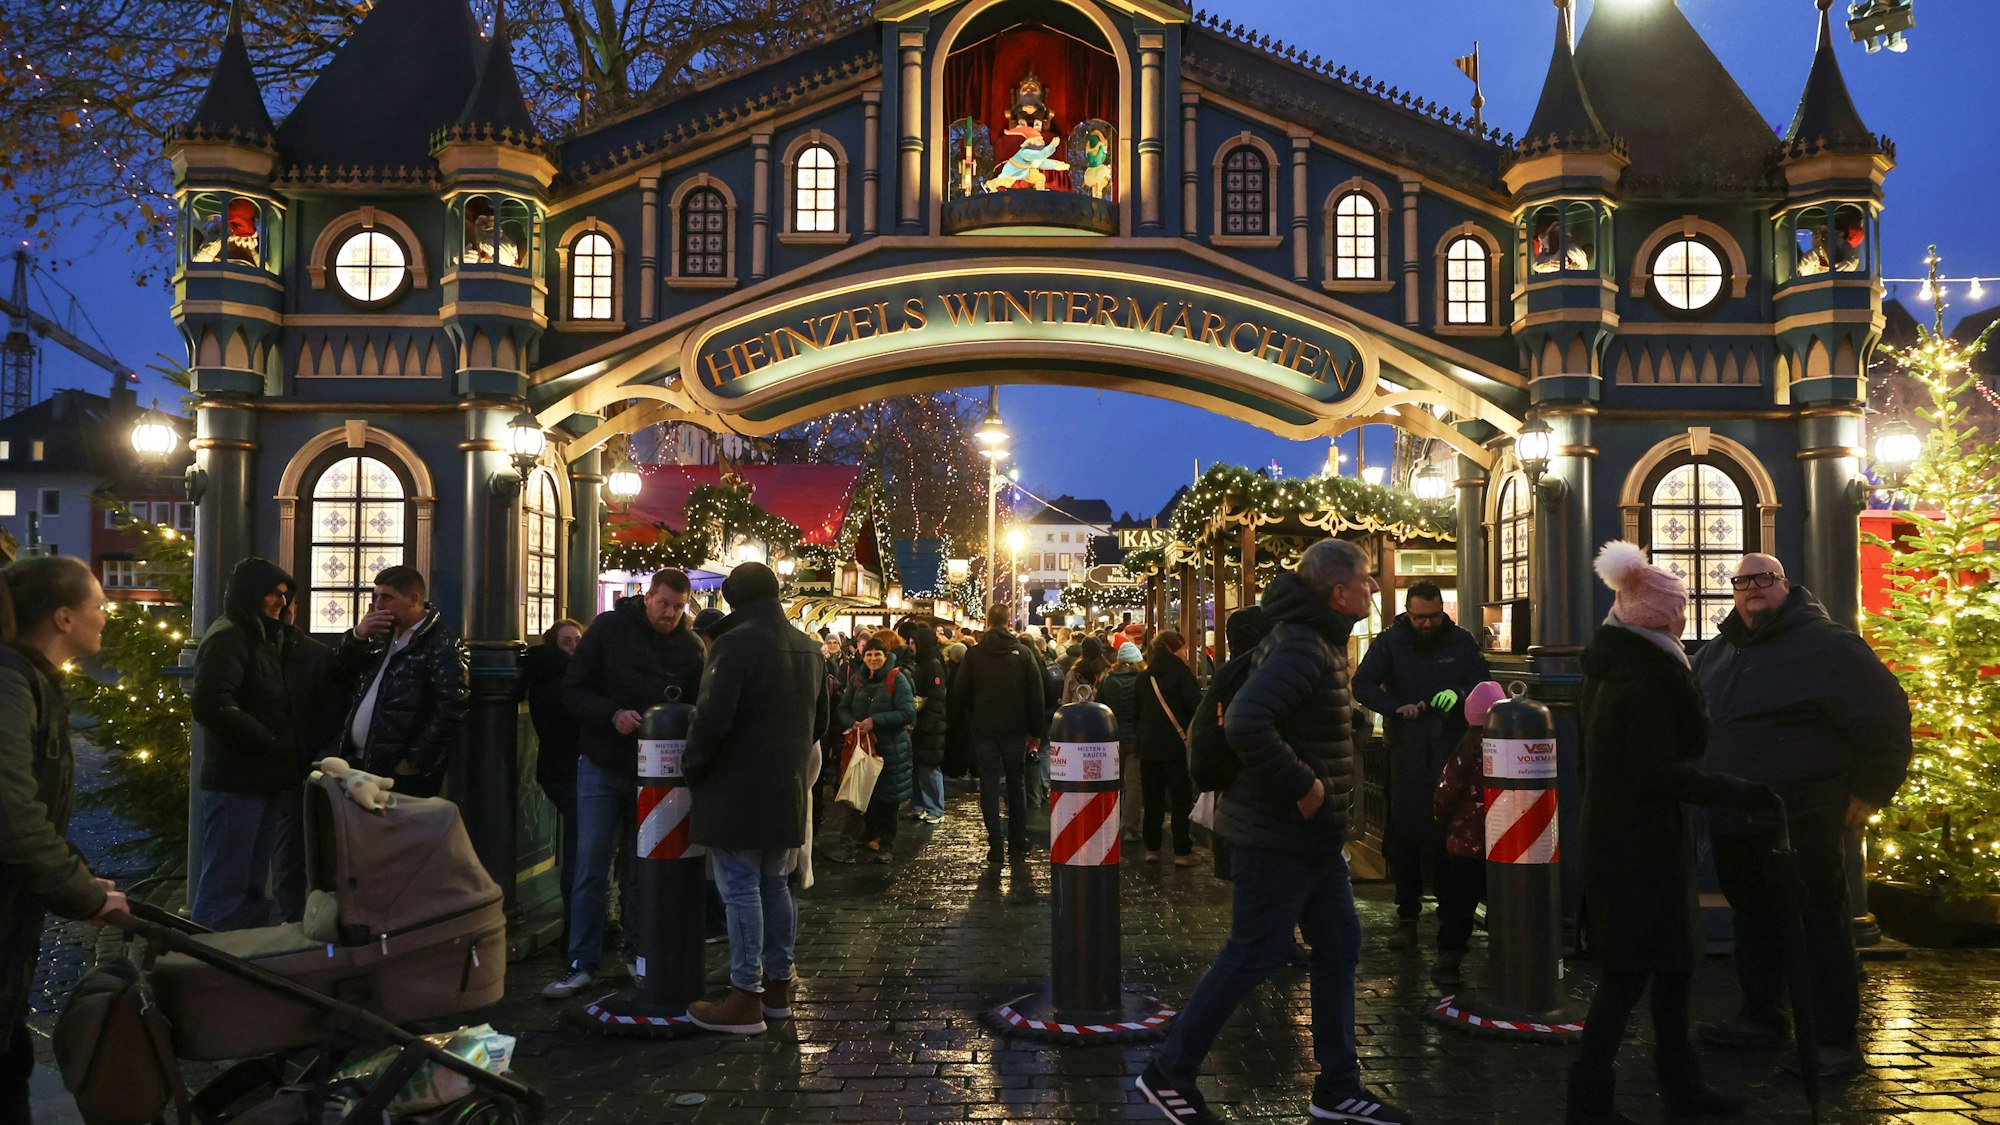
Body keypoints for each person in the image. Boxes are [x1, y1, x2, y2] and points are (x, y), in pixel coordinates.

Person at [1137, 538, 1411, 1125]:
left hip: (1310, 838)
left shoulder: (1316, 641)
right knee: (1253, 952)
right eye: (1365, 579)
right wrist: (1304, 787)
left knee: (1339, 946)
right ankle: (1169, 1070)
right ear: (1339, 591)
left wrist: (1346, 722)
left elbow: (1295, 714)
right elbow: (1247, 720)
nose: (1372, 587)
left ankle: (1338, 1085)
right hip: (1278, 832)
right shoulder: (1303, 645)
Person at [1570, 542, 1777, 1124]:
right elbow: (1657, 771)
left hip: (1630, 837)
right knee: (1629, 974)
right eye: (1679, 607)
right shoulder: (1649, 673)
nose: (1685, 615)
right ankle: (1591, 1102)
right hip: (1640, 844)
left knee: (1670, 968)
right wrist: (1736, 791)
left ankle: (1677, 1084)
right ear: (1660, 614)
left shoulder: (1619, 663)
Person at [1693, 553, 1912, 1076]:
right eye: (1741, 581)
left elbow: (1886, 717)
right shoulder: (1720, 651)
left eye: (1763, 579)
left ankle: (1833, 1040)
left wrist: (1869, 791)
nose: (1751, 589)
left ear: (1785, 585)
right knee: (1755, 920)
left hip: (1803, 816)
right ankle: (1762, 1017)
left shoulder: (1830, 646)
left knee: (1816, 923)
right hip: (1734, 814)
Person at [1, 555, 128, 1122]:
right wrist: (87, 897)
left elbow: (36, 819)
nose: (107, 613)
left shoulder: (27, 679)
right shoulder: (10, 682)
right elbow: (12, 817)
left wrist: (80, 878)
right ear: (63, 618)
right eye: (98, 604)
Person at [683, 562, 829, 1035]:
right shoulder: (808, 646)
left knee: (741, 887)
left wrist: (694, 767)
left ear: (733, 600)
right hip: (784, 785)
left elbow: (711, 719)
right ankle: (779, 988)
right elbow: (821, 724)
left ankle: (745, 996)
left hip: (737, 786)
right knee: (774, 884)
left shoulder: (735, 643)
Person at [544, 568, 704, 999]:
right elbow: (574, 689)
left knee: (643, 868)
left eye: (678, 607)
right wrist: (611, 714)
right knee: (590, 863)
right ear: (647, 597)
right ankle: (581, 961)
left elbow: (696, 706)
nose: (669, 614)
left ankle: (638, 952)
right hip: (602, 762)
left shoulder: (689, 648)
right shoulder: (610, 629)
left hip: (655, 776)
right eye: (663, 604)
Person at [1351, 580, 1491, 953]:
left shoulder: (1460, 640)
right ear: (1408, 612)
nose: (1426, 624)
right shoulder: (1391, 641)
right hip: (1409, 748)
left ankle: (1451, 917)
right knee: (1407, 834)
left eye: (1431, 617)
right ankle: (1407, 915)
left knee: (1451, 835)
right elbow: (1362, 684)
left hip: (1452, 747)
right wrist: (1396, 706)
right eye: (1418, 618)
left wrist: (1460, 695)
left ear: (1442, 610)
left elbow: (1481, 682)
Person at [191, 557, 307, 931]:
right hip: (237, 781)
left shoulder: (258, 634)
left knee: (252, 882)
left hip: (259, 778)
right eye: (273, 593)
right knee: (228, 882)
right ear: (251, 594)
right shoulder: (230, 636)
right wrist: (270, 741)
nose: (280, 601)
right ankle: (212, 962)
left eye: (284, 595)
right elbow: (212, 704)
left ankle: (242, 960)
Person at [333, 566, 469, 799]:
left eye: (387, 597)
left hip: (400, 771)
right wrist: (359, 635)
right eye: (376, 597)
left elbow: (451, 707)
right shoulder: (381, 634)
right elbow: (342, 669)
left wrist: (413, 760)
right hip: (360, 761)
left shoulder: (441, 644)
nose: (378, 605)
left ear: (413, 598)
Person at [948, 605, 1047, 866]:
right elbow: (1036, 697)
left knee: (989, 786)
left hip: (984, 729)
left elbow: (960, 692)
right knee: (1016, 784)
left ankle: (995, 844)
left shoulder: (974, 655)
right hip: (1015, 730)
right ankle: (1017, 840)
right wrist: (1036, 733)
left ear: (988, 623)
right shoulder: (1024, 654)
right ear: (1008, 623)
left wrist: (975, 714)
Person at [1428, 680, 1507, 990]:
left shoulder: (1467, 746)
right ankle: (1506, 956)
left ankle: (1449, 958)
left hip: (1466, 842)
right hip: (1504, 841)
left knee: (1460, 904)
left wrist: (1442, 820)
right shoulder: (1509, 742)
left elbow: (1447, 791)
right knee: (1502, 901)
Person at [522, 618, 583, 948]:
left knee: (578, 841)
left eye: (577, 641)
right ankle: (577, 919)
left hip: (555, 770)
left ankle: (579, 917)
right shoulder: (562, 680)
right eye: (567, 642)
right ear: (553, 645)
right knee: (579, 846)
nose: (574, 647)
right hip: (569, 771)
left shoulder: (548, 674)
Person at [838, 631, 917, 863]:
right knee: (859, 795)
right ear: (863, 656)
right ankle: (854, 843)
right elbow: (843, 707)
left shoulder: (897, 678)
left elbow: (907, 712)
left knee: (888, 799)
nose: (873, 658)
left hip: (890, 748)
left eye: (878, 654)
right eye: (869, 654)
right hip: (863, 748)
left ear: (886, 656)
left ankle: (886, 845)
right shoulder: (857, 680)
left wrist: (876, 721)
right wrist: (851, 722)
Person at [1135, 631, 1201, 866]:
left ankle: (1152, 849)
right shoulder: (1182, 675)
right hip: (1176, 747)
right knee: (1180, 799)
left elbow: (1136, 714)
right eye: (1184, 647)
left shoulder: (1144, 678)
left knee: (1152, 800)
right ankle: (1181, 852)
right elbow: (1196, 707)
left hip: (1148, 749)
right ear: (1174, 648)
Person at [901, 623, 951, 824]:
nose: (911, 646)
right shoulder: (922, 662)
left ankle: (934, 808)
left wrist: (923, 709)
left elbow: (936, 695)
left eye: (914, 643)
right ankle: (920, 804)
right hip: (922, 723)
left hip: (930, 723)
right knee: (919, 766)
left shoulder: (932, 664)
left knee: (929, 767)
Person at [1096, 640, 1145, 841]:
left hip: (1112, 738)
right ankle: (1130, 828)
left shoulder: (1107, 680)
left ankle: (1109, 821)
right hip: (1135, 738)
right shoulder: (1142, 681)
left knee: (1112, 782)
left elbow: (1099, 706)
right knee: (1133, 784)